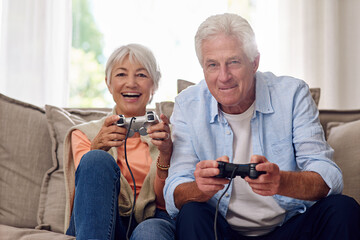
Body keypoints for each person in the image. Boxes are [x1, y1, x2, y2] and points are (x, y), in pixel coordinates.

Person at [163, 13, 360, 240]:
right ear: (203, 68)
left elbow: (329, 177)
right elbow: (174, 190)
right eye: (213, 65)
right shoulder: (188, 104)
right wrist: (200, 188)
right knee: (191, 212)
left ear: (254, 62)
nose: (223, 76)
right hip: (223, 230)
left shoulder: (292, 94)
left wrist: (282, 181)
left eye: (233, 62)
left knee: (343, 208)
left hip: (289, 227)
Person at [63, 44, 175, 240]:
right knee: (95, 159)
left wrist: (166, 153)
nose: (131, 83)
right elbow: (84, 197)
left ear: (155, 85)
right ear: (108, 83)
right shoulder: (85, 134)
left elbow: (164, 203)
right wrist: (96, 148)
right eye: (121, 75)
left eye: (141, 75)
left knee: (151, 233)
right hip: (100, 219)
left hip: (153, 219)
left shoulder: (168, 135)